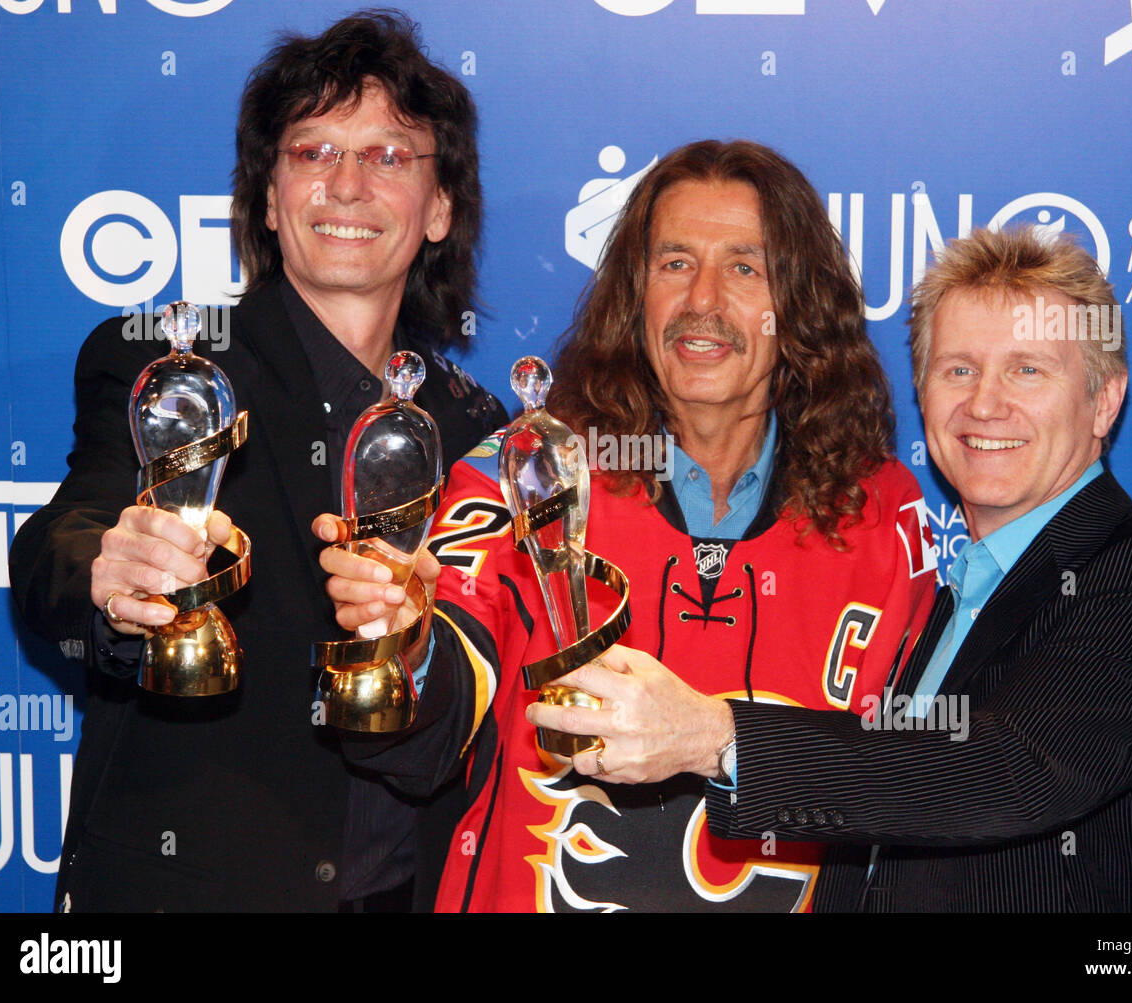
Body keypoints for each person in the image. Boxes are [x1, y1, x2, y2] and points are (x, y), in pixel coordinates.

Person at [530, 226, 1132, 911]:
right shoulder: (956, 593)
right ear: (923, 395)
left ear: (1104, 400)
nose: (985, 404)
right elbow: (890, 811)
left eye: (1028, 369)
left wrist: (718, 736)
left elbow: (1005, 772)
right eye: (958, 369)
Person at [325, 139, 937, 911]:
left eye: (745, 267)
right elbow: (428, 731)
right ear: (633, 294)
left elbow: (919, 775)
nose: (702, 301)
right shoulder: (528, 469)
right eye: (674, 263)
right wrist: (404, 642)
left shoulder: (881, 508)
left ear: (801, 304)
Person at [9, 11, 506, 912]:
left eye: (390, 156)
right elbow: (62, 542)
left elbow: (473, 703)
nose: (347, 185)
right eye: (312, 152)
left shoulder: (476, 427)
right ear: (269, 198)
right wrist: (114, 579)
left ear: (440, 209)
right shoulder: (166, 368)